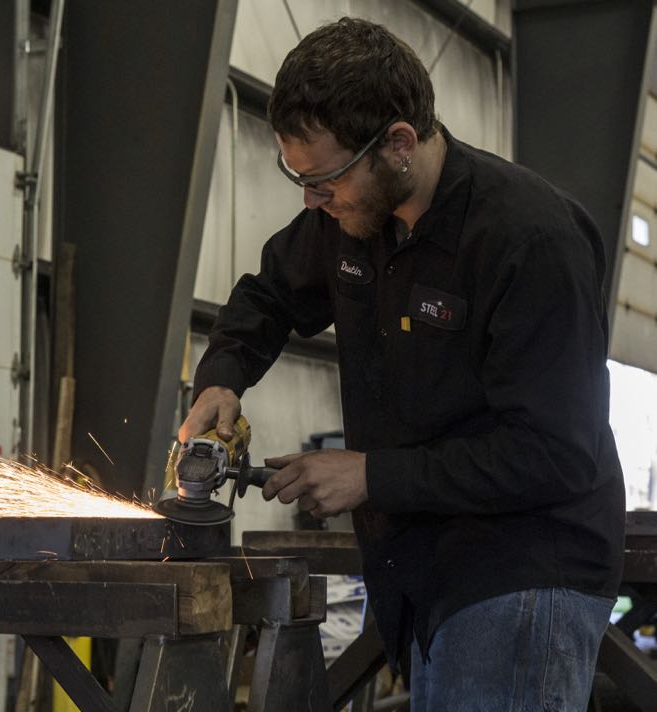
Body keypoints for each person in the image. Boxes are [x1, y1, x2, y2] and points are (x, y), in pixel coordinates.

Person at [179, 17, 625, 711]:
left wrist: (370, 475)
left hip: (524, 570)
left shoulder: (529, 242)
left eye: (324, 179)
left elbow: (555, 453)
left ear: (398, 144)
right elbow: (267, 295)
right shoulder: (347, 220)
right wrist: (222, 379)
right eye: (298, 178)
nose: (311, 201)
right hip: (422, 571)